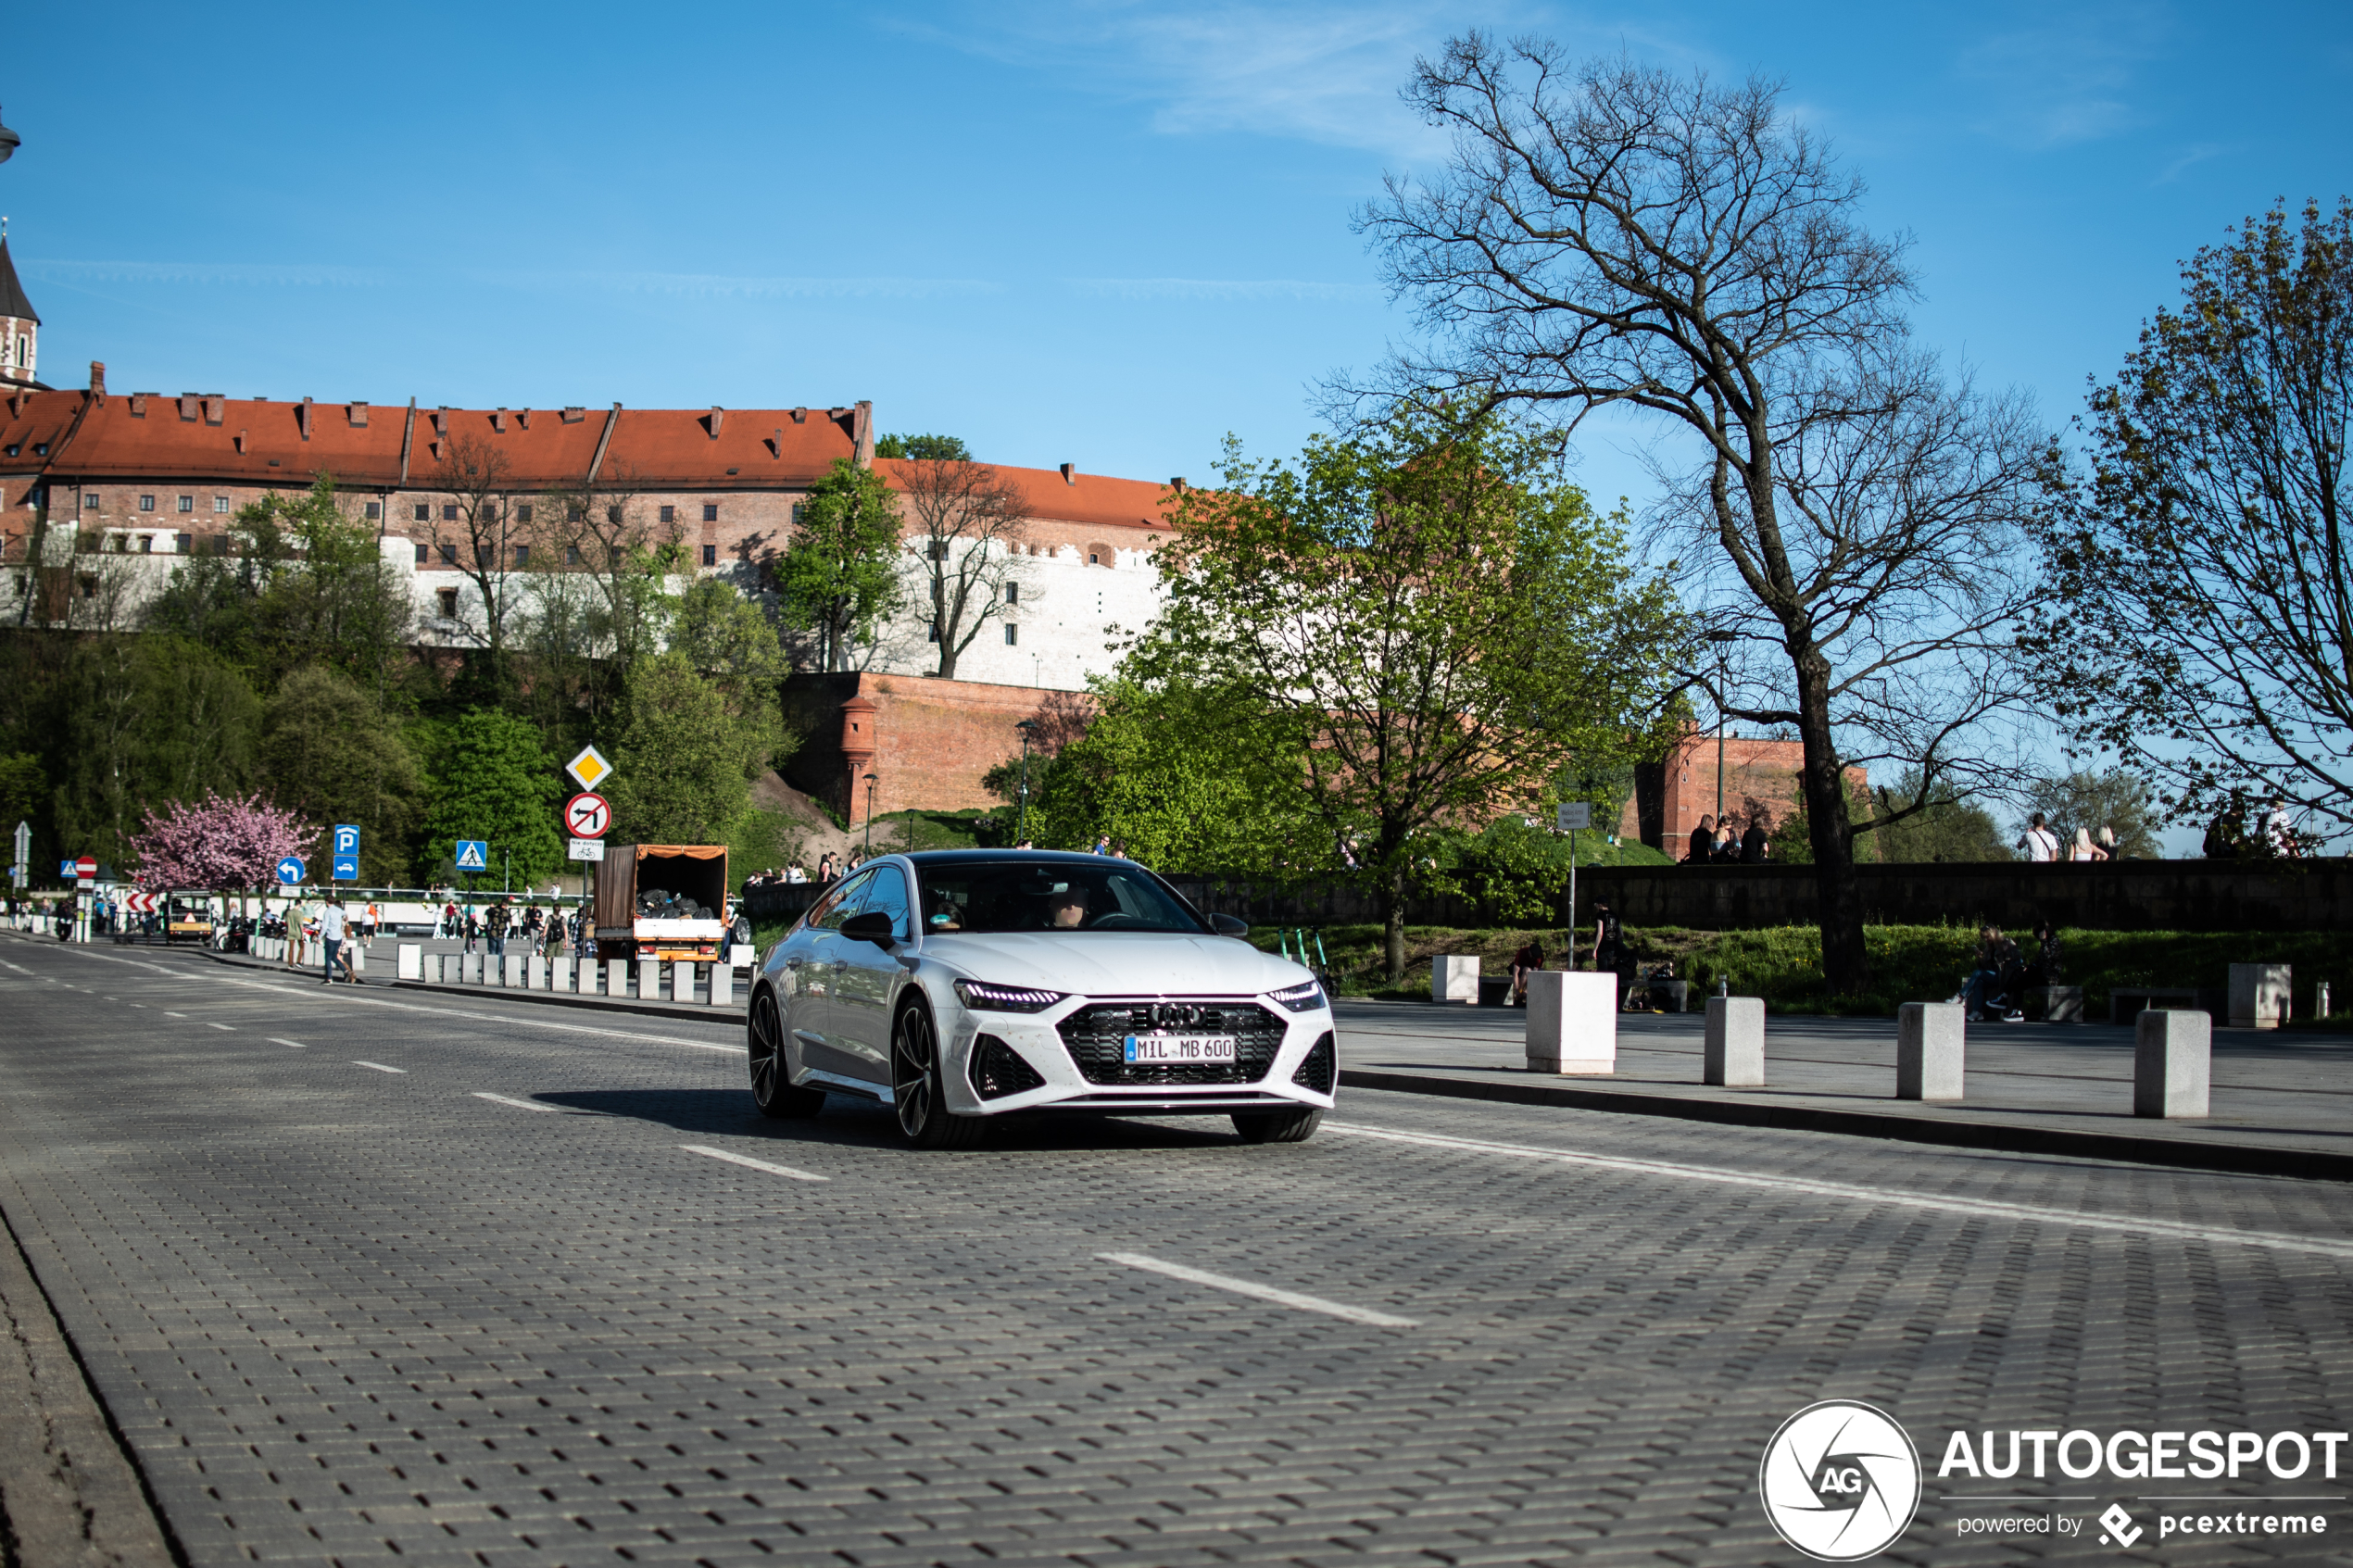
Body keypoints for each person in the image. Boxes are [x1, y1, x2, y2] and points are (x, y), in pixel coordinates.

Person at [1954, 926, 2023, 1022]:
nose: (1986, 939)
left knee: (1977, 973)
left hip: (2002, 976)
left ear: (1994, 934)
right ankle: (1977, 1011)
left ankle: (1961, 996)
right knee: (1979, 982)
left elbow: (2018, 959)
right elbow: (1986, 968)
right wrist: (1980, 958)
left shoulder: (2005, 942)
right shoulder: (1988, 948)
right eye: (1984, 938)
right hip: (1993, 975)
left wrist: (2007, 951)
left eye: (1988, 937)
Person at [1590, 897, 1627, 997]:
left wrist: (1595, 949)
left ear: (1601, 905)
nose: (1596, 907)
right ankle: (1608, 995)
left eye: (1597, 905)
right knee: (1608, 971)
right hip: (1612, 949)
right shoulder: (1614, 915)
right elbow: (1620, 934)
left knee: (1602, 973)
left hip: (1603, 948)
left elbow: (1600, 933)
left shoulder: (1600, 915)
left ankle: (1602, 996)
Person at [318, 897, 347, 986]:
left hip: (330, 937)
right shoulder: (339, 910)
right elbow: (345, 914)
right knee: (334, 957)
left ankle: (329, 978)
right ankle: (345, 970)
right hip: (338, 937)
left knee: (327, 958)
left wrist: (319, 937)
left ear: (327, 902)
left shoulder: (328, 912)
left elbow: (325, 926)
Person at [1509, 937, 1545, 1007]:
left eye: (1536, 957)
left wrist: (1528, 991)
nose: (1535, 958)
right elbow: (1515, 973)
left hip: (1531, 972)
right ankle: (1520, 992)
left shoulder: (1539, 957)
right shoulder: (1522, 952)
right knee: (1527, 969)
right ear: (1529, 952)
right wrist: (1516, 990)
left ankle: (1525, 994)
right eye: (1533, 957)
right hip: (1521, 971)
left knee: (1540, 973)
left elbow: (1535, 975)